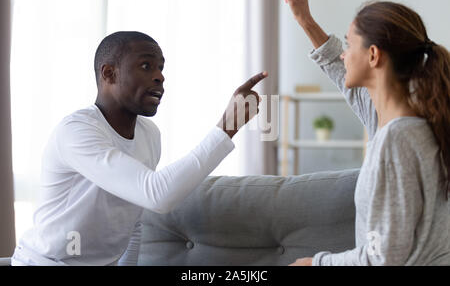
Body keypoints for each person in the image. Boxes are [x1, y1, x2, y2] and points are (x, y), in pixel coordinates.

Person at [11, 31, 268, 265]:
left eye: (161, 68)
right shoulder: (77, 131)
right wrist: (227, 127)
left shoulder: (149, 135)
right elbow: (157, 195)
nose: (160, 76)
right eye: (146, 66)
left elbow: (132, 223)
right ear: (109, 73)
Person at [281, 0, 450, 266]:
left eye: (349, 44)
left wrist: (313, 264)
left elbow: (385, 259)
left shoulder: (397, 139)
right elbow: (337, 66)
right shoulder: (412, 122)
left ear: (373, 55)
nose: (344, 54)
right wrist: (304, 18)